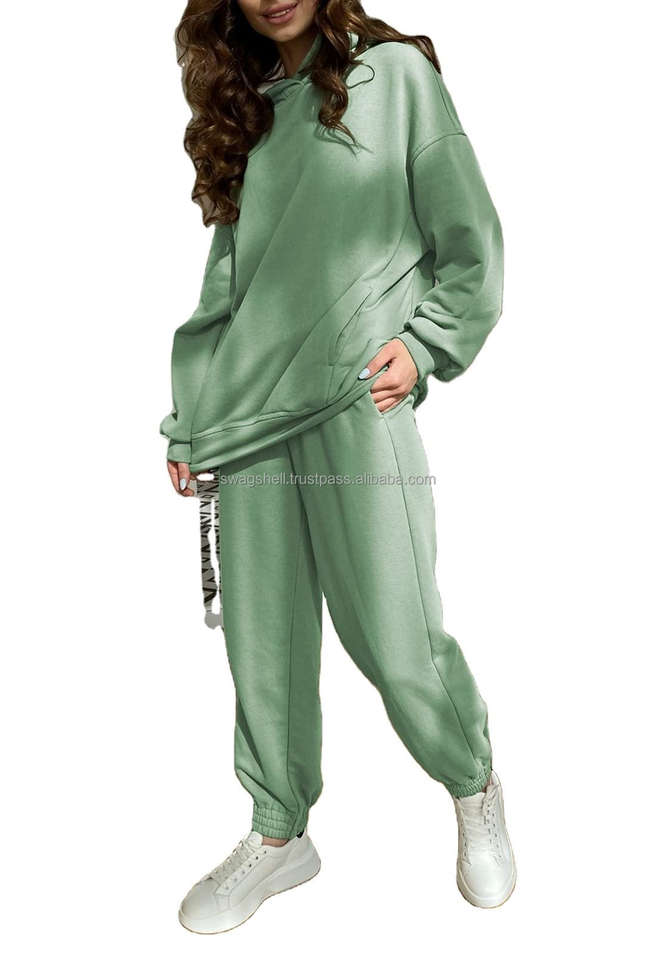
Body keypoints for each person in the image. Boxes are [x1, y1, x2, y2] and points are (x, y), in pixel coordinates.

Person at [160, 0, 516, 934]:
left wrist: (426, 344)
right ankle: (280, 832)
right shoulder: (248, 107)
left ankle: (473, 783)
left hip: (356, 405)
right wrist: (190, 421)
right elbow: (228, 286)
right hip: (246, 421)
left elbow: (471, 241)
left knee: (398, 636)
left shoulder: (394, 80)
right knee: (262, 648)